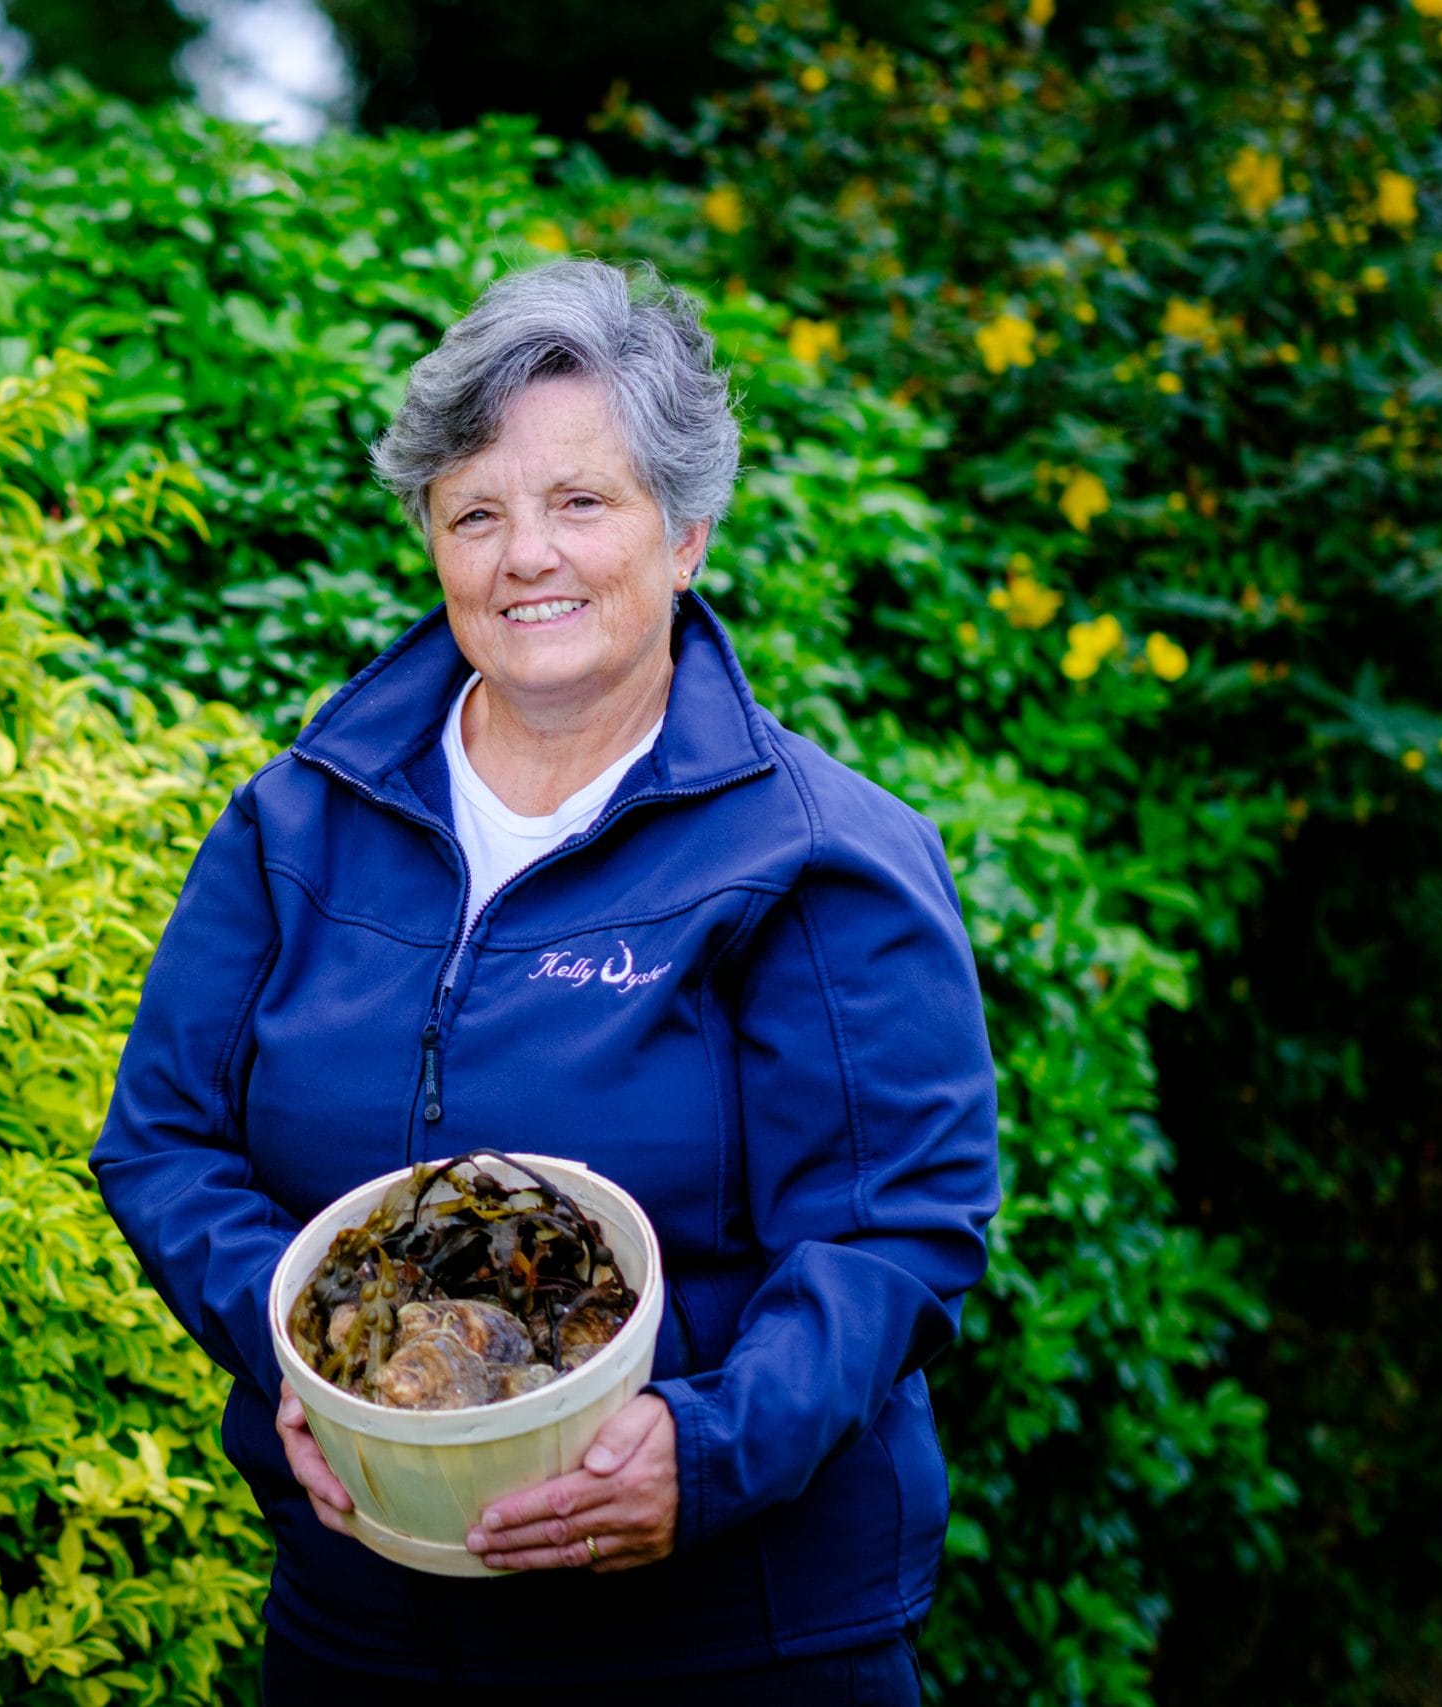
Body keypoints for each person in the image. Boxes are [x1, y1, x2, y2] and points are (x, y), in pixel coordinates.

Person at [90, 258, 1001, 1700]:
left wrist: (703, 1457)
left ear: (687, 530)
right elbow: (163, 1141)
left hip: (723, 1639)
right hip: (364, 1626)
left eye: (582, 502)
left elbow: (897, 1233)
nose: (528, 557)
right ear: (435, 546)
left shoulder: (822, 858)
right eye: (477, 514)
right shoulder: (300, 819)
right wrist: (314, 1358)